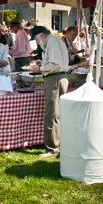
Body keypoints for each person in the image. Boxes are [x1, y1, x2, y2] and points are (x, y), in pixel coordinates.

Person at [30, 28, 69, 158]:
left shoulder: (52, 42)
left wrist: (40, 68)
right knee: (56, 113)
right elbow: (55, 62)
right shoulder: (55, 41)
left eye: (36, 40)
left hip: (55, 78)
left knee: (51, 114)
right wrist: (44, 64)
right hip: (57, 77)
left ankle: (52, 148)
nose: (37, 43)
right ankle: (58, 144)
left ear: (41, 36)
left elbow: (56, 64)